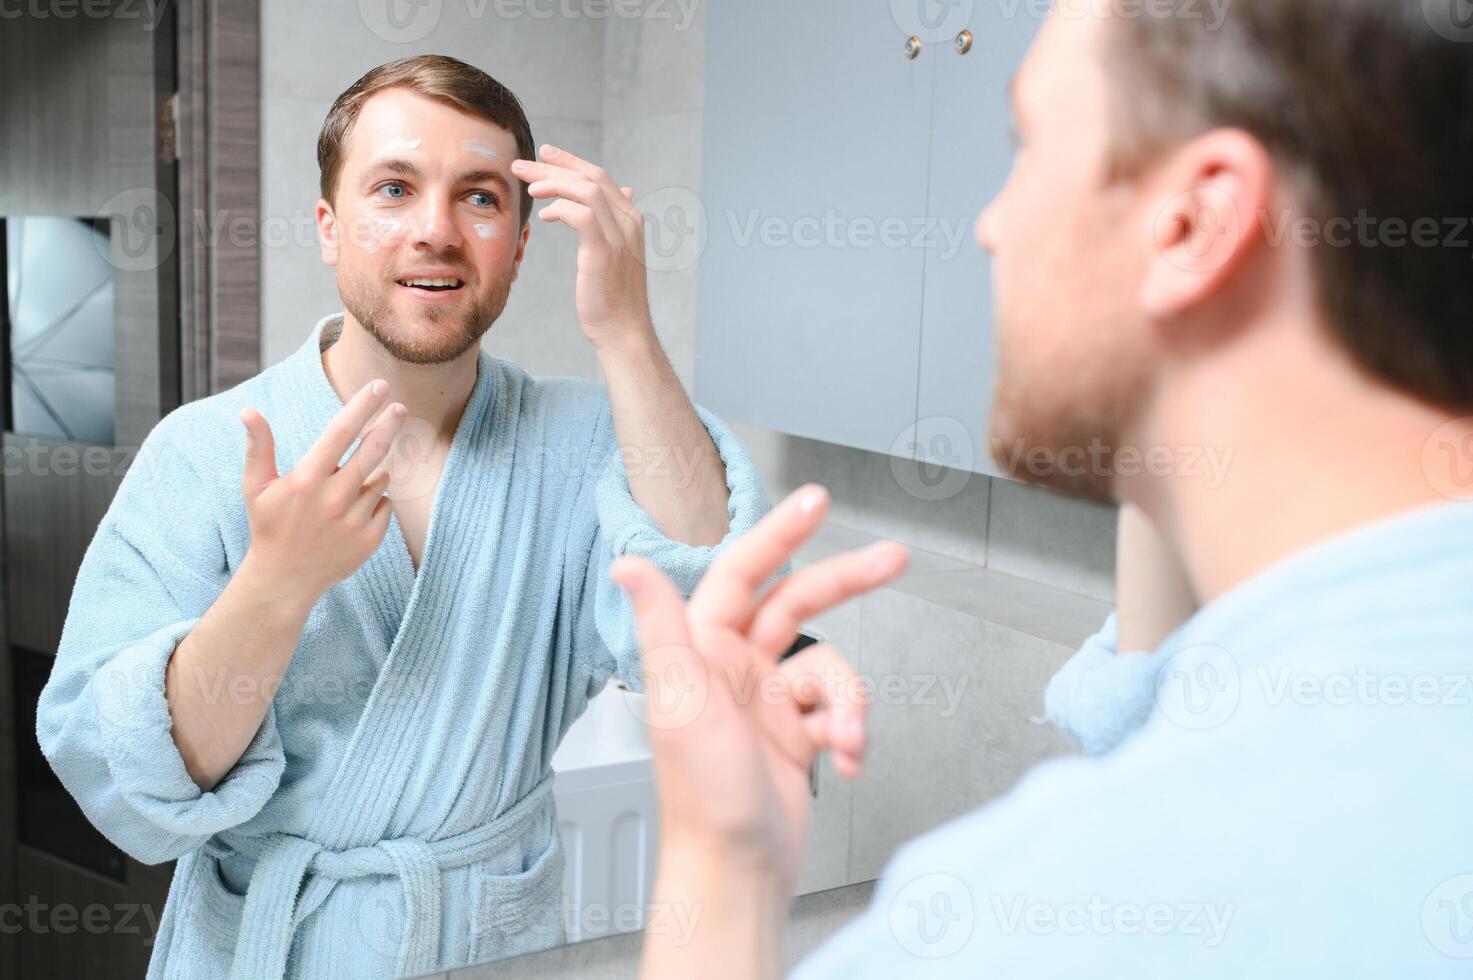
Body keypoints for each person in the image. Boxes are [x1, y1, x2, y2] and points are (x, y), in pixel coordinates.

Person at [614, 0, 1473, 976]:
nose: (989, 224)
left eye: (1024, 143)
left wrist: (717, 861)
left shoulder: (1023, 923)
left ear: (1194, 220)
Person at [37, 54, 773, 979]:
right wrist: (277, 584)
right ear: (329, 229)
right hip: (271, 949)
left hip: (488, 944)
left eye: (479, 198)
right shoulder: (205, 451)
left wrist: (625, 327)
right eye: (393, 188)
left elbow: (711, 641)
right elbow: (127, 784)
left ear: (519, 238)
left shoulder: (584, 438)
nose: (436, 231)